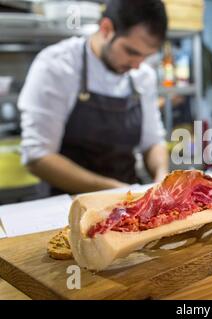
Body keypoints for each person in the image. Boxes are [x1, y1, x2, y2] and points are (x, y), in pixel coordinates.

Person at [18, 0, 169, 194]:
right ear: (106, 29)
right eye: (131, 52)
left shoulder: (142, 76)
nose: (137, 65)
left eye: (145, 56)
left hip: (128, 196)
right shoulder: (56, 66)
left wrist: (162, 177)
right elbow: (38, 157)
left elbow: (153, 142)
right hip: (67, 204)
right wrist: (112, 190)